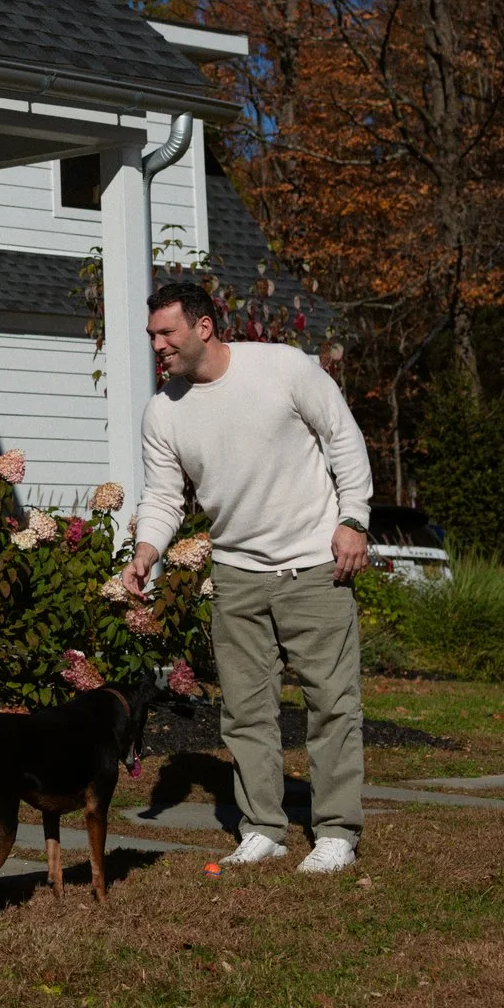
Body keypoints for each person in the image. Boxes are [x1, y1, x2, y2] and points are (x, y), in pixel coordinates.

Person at [123, 281, 372, 876]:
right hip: (236, 574)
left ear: (203, 327)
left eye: (166, 333)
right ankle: (264, 828)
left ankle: (336, 832)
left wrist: (353, 519)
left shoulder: (283, 368)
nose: (157, 345)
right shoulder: (164, 411)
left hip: (314, 565)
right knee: (244, 712)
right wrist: (145, 552)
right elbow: (163, 495)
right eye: (152, 335)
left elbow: (344, 438)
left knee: (332, 705)